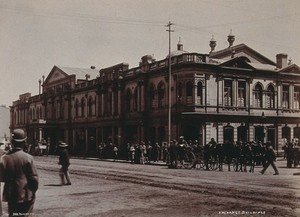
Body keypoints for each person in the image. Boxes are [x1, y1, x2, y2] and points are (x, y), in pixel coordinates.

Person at [0, 129, 39, 217]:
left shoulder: (4, 158)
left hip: (11, 195)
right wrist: (33, 191)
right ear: (24, 142)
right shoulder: (28, 158)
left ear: (12, 142)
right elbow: (34, 179)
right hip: (26, 195)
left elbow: (1, 178)